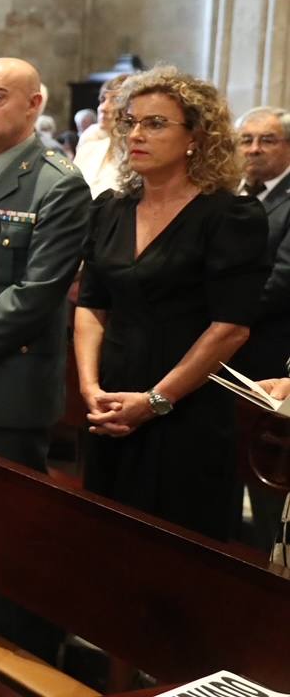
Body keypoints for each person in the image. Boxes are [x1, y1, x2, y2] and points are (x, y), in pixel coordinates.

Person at [75, 67, 267, 541]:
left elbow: (230, 327)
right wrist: (89, 386)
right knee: (103, 544)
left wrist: (157, 401)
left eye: (155, 123)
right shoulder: (111, 209)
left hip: (189, 408)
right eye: (130, 122)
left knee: (174, 556)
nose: (136, 134)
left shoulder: (229, 216)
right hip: (112, 402)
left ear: (196, 137)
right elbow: (91, 304)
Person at [0, 57, 90, 661]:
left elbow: (35, 295)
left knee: (9, 539)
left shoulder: (59, 184)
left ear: (34, 106)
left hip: (6, 385)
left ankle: (27, 662)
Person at [231, 107, 290, 548]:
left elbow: (281, 279)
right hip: (228, 350)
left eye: (266, 140)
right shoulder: (234, 191)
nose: (253, 148)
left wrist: (221, 317)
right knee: (228, 464)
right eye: (246, 139)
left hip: (268, 350)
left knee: (266, 472)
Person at [74, 76, 124, 197]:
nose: (103, 108)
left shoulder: (135, 155)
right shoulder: (89, 145)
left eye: (115, 100)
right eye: (102, 100)